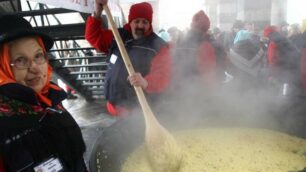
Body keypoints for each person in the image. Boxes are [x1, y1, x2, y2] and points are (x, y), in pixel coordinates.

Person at [0, 14, 87, 171]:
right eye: (20, 60)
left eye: (38, 56)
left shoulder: (51, 100)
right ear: (2, 67)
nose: (35, 67)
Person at [85, 0, 172, 116]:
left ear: (149, 24)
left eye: (145, 22)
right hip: (113, 106)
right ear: (130, 22)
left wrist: (146, 82)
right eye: (137, 21)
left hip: (137, 111)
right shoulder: (117, 36)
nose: (140, 25)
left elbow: (164, 74)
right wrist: (97, 13)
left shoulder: (158, 45)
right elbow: (93, 36)